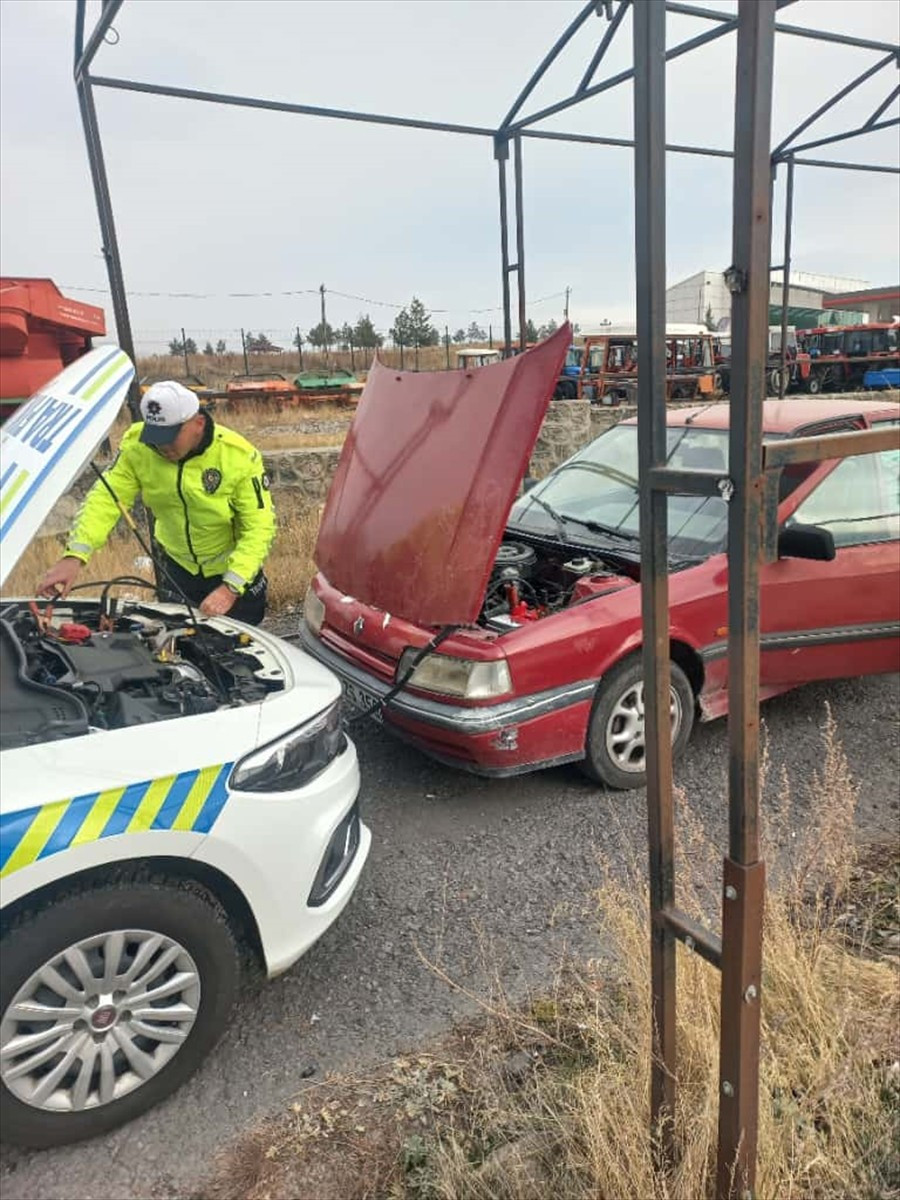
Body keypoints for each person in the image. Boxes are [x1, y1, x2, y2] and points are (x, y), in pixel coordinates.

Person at [38, 380, 276, 625]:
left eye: (170, 437)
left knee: (242, 651)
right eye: (156, 437)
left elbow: (259, 527)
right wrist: (74, 556)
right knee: (176, 645)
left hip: (232, 572)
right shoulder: (138, 447)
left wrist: (231, 587)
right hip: (176, 569)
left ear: (198, 423)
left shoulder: (237, 455)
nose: (161, 446)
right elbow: (106, 498)